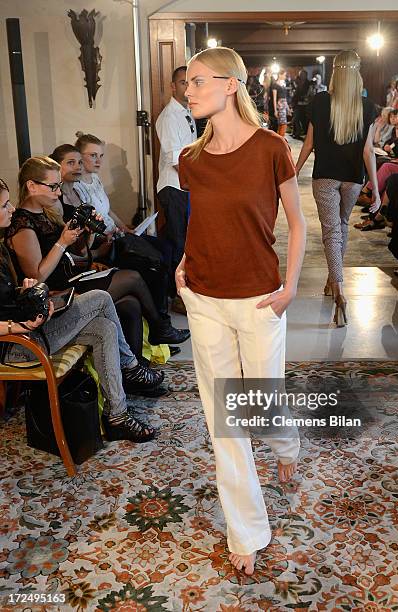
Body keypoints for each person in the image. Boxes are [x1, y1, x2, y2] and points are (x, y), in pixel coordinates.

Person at [178, 47, 306, 575]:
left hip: (259, 298)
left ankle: (285, 442)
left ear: (231, 85)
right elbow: (201, 223)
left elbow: (297, 224)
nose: (188, 91)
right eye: (185, 83)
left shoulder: (272, 148)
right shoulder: (190, 159)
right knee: (224, 421)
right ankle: (246, 529)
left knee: (263, 396)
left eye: (197, 81)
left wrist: (291, 287)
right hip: (204, 297)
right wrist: (184, 266)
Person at [0, 178, 157, 443]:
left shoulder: (1, 246)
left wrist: (25, 291)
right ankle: (130, 365)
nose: (12, 208)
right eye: (4, 205)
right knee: (99, 298)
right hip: (16, 344)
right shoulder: (20, 229)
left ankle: (117, 416)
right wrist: (18, 327)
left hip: (29, 326)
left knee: (104, 328)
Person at [6, 156, 188, 373]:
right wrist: (62, 242)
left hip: (72, 277)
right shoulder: (22, 224)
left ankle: (135, 369)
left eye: (59, 186)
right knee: (132, 277)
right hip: (57, 294)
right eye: (53, 186)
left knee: (130, 303)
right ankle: (159, 329)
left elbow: (79, 253)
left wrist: (87, 235)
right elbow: (37, 276)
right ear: (32, 186)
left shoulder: (48, 213)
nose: (58, 192)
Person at [73, 133, 190, 335]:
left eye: (101, 155)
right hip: (104, 242)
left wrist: (125, 227)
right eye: (92, 156)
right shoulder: (76, 188)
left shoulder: (95, 179)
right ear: (79, 156)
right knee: (154, 262)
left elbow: (108, 210)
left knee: (165, 248)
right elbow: (90, 226)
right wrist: (115, 233)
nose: (98, 161)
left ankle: (163, 321)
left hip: (117, 233)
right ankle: (161, 326)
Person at [295, 50, 380, 326]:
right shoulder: (368, 107)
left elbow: (308, 144)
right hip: (352, 178)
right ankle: (333, 281)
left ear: (335, 72)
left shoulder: (319, 102)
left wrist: (293, 171)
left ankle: (339, 290)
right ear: (356, 74)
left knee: (331, 232)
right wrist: (376, 190)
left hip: (325, 177)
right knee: (341, 227)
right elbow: (368, 152)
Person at [155, 66, 197, 286]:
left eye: (191, 82)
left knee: (183, 240)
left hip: (184, 187)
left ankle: (180, 288)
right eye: (183, 82)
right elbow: (176, 160)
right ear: (172, 86)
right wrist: (197, 184)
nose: (188, 87)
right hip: (175, 187)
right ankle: (177, 292)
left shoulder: (187, 111)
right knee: (178, 241)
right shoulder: (170, 116)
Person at [291, 69, 311, 139]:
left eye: (303, 75)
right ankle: (297, 133)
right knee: (295, 119)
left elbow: (309, 94)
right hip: (298, 104)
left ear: (306, 75)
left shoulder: (309, 83)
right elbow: (295, 94)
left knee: (304, 120)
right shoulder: (297, 82)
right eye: (300, 75)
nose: (301, 76)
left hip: (305, 105)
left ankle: (305, 133)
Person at [269, 70, 288, 134]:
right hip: (280, 106)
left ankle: (280, 138)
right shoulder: (275, 85)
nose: (285, 77)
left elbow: (285, 97)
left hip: (284, 105)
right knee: (282, 123)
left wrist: (288, 108)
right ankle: (280, 138)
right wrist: (275, 110)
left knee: (282, 123)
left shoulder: (283, 84)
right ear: (280, 74)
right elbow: (274, 98)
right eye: (284, 75)